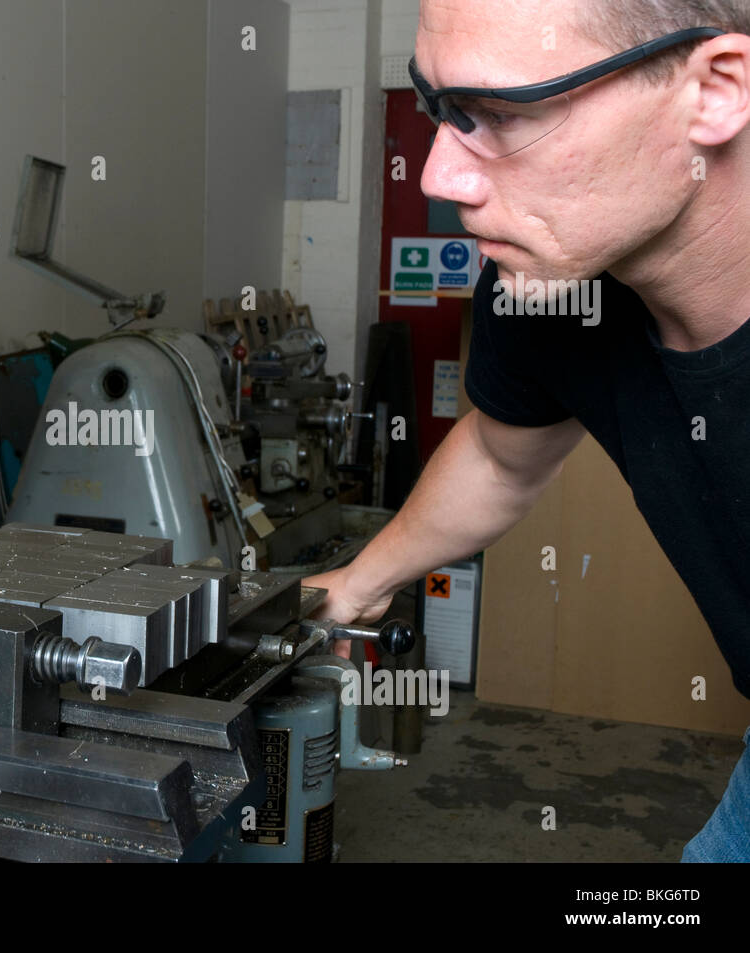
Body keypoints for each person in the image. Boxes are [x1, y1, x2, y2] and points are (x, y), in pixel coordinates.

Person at [303, 0, 750, 861]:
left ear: (716, 90)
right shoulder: (547, 287)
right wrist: (359, 584)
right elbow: (503, 454)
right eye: (440, 107)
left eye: (502, 114)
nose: (437, 176)